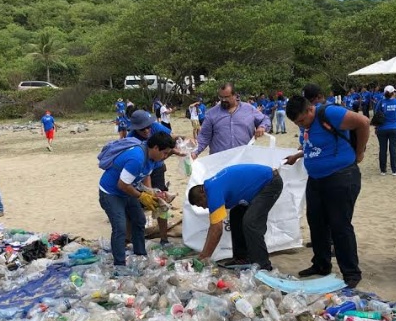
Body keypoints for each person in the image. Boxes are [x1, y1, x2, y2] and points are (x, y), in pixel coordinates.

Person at [284, 85, 370, 289]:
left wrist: (359, 153)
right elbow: (313, 145)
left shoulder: (329, 113)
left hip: (341, 176)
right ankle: (321, 265)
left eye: (302, 120)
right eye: (297, 123)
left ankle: (351, 272)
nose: (301, 125)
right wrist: (297, 155)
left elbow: (364, 122)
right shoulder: (305, 124)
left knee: (340, 226)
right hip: (316, 179)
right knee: (316, 223)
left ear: (310, 109)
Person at [99, 132, 176, 268]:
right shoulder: (137, 158)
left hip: (128, 189)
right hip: (111, 192)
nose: (165, 157)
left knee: (139, 220)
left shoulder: (152, 158)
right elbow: (122, 185)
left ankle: (140, 255)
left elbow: (146, 175)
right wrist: (141, 196)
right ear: (156, 148)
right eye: (164, 153)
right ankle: (119, 264)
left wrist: (151, 193)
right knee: (120, 227)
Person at [188, 164, 283, 270]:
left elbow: (216, 230)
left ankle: (263, 266)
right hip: (258, 186)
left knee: (251, 222)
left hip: (270, 183)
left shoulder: (212, 191)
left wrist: (204, 256)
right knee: (236, 214)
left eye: (201, 203)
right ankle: (242, 258)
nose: (204, 207)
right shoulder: (211, 186)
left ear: (202, 193)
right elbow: (214, 226)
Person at [127, 110, 178, 245]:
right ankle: (129, 238)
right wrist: (148, 191)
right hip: (140, 170)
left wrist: (175, 150)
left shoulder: (155, 127)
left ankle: (164, 238)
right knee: (134, 202)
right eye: (142, 129)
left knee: (161, 200)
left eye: (148, 126)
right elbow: (143, 172)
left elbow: (170, 140)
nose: (146, 130)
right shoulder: (131, 139)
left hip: (157, 167)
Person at [192, 82, 271, 158]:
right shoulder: (211, 114)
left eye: (226, 97)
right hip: (220, 162)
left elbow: (265, 119)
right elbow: (204, 137)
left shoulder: (249, 109)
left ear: (235, 95)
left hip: (245, 159)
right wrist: (195, 152)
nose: (223, 100)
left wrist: (262, 127)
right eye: (221, 97)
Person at [374, 86, 396, 175]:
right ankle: (395, 170)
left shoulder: (380, 102)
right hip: (394, 128)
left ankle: (383, 170)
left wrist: (376, 128)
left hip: (382, 129)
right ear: (393, 93)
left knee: (382, 149)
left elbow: (377, 116)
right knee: (393, 149)